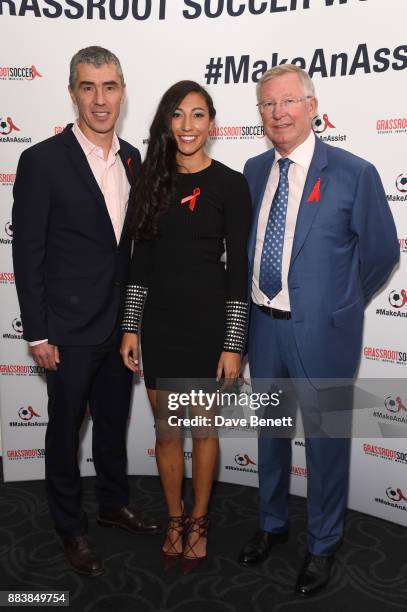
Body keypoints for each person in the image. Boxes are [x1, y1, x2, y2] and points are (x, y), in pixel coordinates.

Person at [238, 64, 399, 595]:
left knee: (327, 444)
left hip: (324, 336)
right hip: (264, 328)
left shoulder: (354, 172)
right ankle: (271, 524)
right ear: (260, 114)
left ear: (312, 105)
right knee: (271, 437)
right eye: (268, 104)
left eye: (288, 101)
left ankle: (323, 543)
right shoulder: (254, 170)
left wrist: (340, 303)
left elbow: (381, 254)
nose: (278, 112)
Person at [12, 46, 160, 578]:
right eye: (89, 87)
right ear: (72, 92)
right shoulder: (41, 161)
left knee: (114, 422)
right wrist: (39, 331)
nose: (101, 99)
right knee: (64, 432)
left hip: (120, 327)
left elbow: (129, 248)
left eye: (110, 86)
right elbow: (27, 252)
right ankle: (70, 528)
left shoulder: (133, 159)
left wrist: (135, 321)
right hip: (68, 330)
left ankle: (114, 504)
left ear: (122, 90)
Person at [120, 80, 251, 572]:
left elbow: (238, 268)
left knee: (203, 431)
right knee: (168, 431)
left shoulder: (230, 184)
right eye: (178, 115)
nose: (188, 126)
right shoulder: (151, 181)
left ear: (212, 124)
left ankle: (199, 519)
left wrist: (233, 341)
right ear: (167, 123)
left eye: (198, 115)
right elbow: (140, 263)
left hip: (208, 324)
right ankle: (174, 519)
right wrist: (131, 327)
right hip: (161, 324)